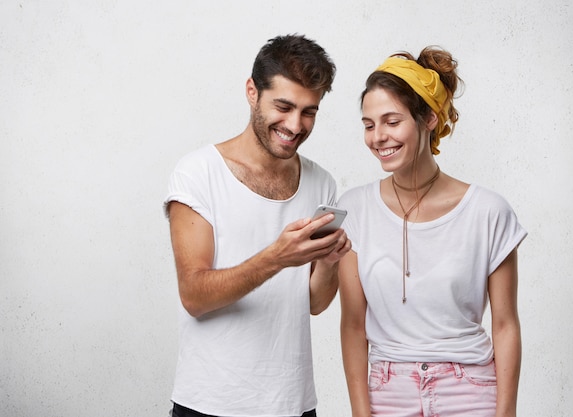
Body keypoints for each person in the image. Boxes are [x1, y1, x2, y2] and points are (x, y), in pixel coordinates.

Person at [164, 34, 351, 417]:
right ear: (252, 91)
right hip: (211, 404)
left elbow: (314, 302)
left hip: (293, 404)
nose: (295, 125)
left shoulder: (322, 183)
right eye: (283, 106)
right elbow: (195, 296)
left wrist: (330, 261)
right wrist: (277, 257)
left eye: (309, 111)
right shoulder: (198, 173)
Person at [337, 47, 527, 417]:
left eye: (392, 121)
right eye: (369, 124)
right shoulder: (355, 210)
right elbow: (352, 326)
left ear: (429, 118)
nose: (378, 137)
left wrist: (506, 414)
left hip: (470, 391)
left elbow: (505, 326)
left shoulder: (488, 212)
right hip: (387, 392)